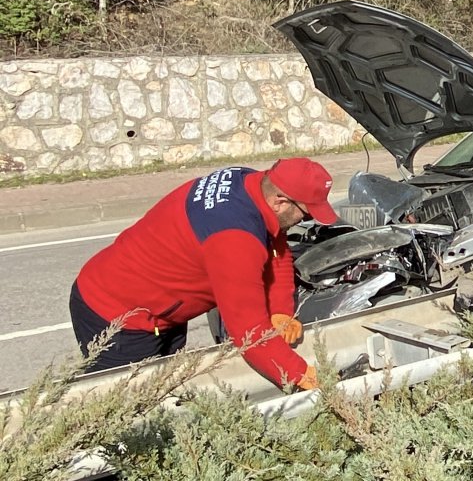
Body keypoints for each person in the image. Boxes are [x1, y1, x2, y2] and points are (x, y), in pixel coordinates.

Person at [68, 157, 340, 390]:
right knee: (130, 414)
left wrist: (280, 309)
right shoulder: (234, 238)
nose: (304, 221)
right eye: (305, 215)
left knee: (166, 392)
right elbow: (249, 331)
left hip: (163, 309)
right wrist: (302, 376)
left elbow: (276, 243)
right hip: (116, 316)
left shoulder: (249, 181)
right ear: (280, 202)